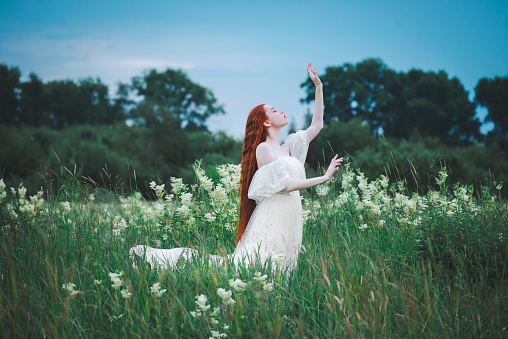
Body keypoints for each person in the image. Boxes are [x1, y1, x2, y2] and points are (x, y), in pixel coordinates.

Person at [130, 63, 343, 271]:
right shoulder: (263, 150)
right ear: (266, 123)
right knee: (255, 266)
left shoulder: (289, 147)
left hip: (290, 215)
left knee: (281, 267)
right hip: (273, 216)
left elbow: (317, 125)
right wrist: (323, 178)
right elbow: (286, 186)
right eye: (274, 110)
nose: (281, 111)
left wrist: (319, 87)